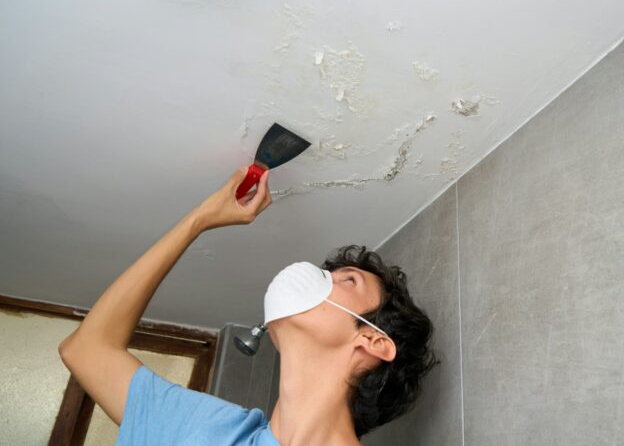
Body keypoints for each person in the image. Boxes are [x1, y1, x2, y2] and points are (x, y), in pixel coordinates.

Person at [58, 166, 439, 446]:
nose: (319, 277)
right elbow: (87, 350)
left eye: (347, 280)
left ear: (373, 342)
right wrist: (199, 220)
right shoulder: (211, 430)